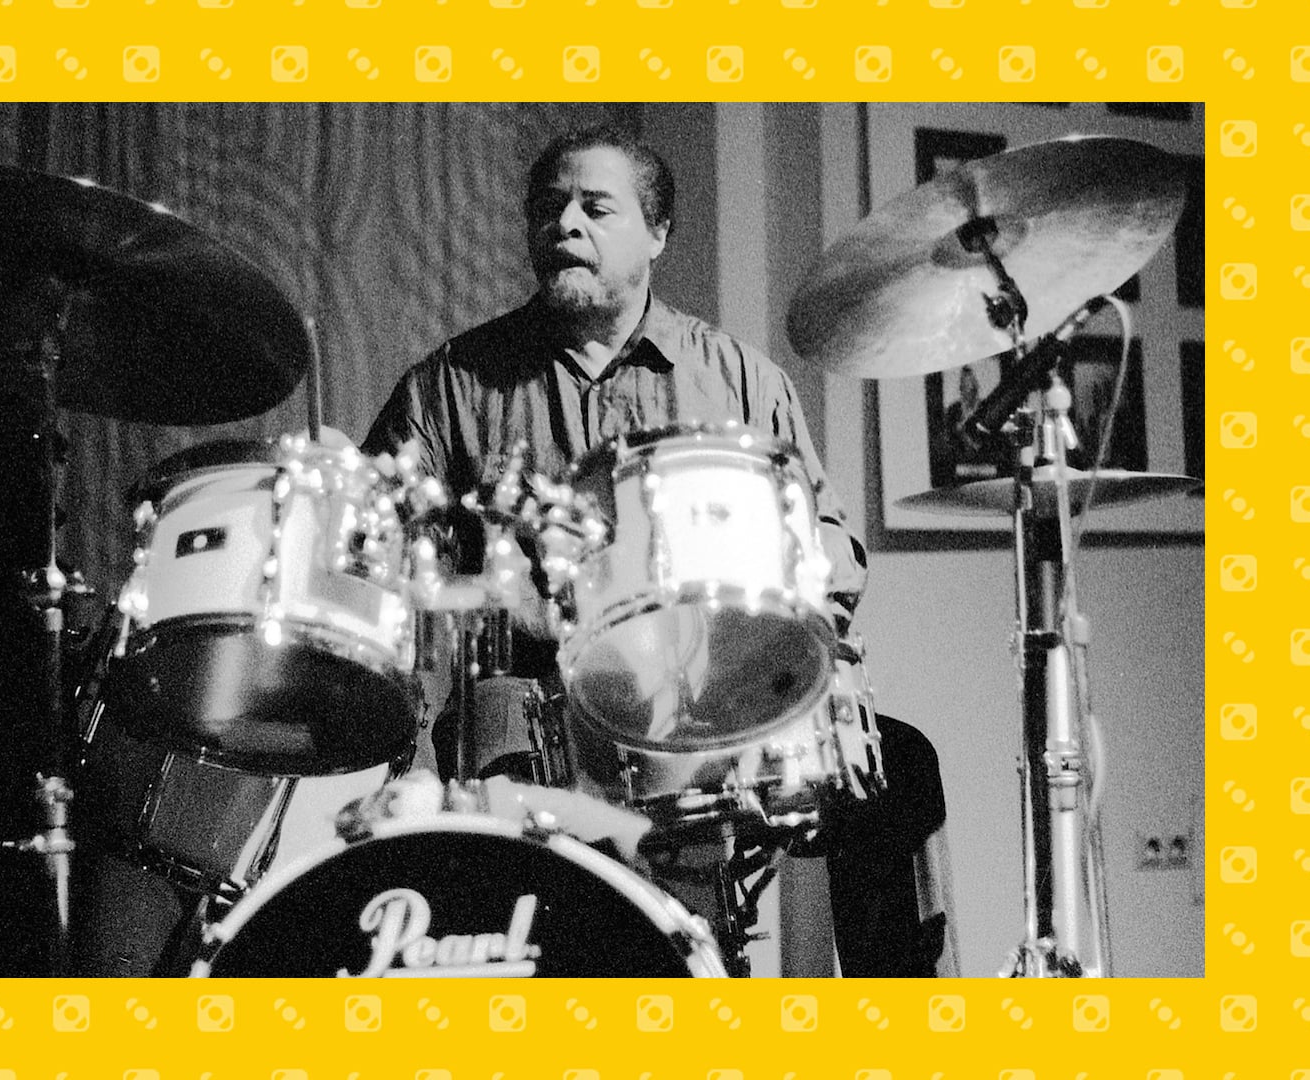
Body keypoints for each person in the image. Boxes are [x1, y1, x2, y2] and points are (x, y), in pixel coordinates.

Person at [362, 127, 957, 975]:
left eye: (595, 207)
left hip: (715, 696)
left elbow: (828, 542)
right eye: (548, 208)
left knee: (897, 766)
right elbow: (379, 556)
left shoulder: (741, 379)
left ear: (657, 233)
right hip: (535, 705)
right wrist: (492, 590)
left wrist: (796, 621)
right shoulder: (453, 384)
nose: (565, 224)